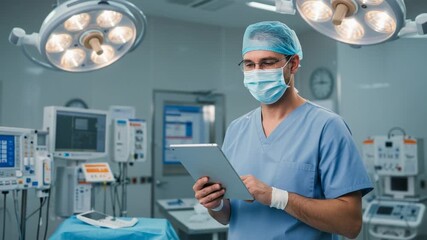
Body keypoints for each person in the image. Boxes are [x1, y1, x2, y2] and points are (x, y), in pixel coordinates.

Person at [192, 21, 373, 239]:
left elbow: (350, 224)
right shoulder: (237, 129)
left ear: (293, 63)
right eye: (249, 65)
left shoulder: (327, 127)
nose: (257, 72)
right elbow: (229, 216)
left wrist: (277, 197)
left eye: (267, 63)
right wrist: (217, 204)